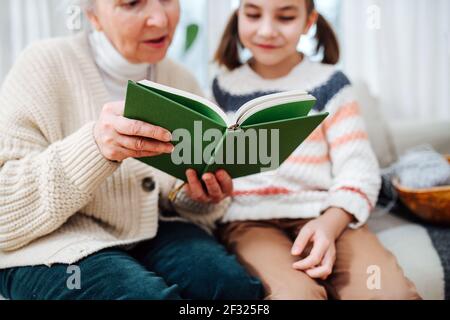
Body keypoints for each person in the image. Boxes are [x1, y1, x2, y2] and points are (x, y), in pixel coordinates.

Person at [0, 0, 263, 300]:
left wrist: (196, 196)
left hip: (151, 230)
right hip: (53, 241)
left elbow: (182, 200)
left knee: (232, 289)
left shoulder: (180, 79)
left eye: (167, 0)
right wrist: (95, 148)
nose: (159, 19)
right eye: (132, 4)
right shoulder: (42, 64)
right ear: (92, 16)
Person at [213, 0, 421, 300]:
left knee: (389, 292)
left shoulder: (331, 84)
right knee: (294, 296)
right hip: (250, 221)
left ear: (308, 22)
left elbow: (359, 168)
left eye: (285, 16)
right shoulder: (223, 88)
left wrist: (331, 222)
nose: (266, 30)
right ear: (238, 15)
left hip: (327, 214)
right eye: (253, 14)